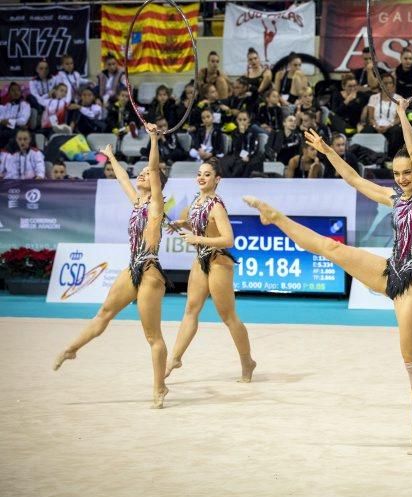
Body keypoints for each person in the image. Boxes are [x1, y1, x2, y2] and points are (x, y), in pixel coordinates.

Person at [245, 97, 412, 454]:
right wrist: (325, 152)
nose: (401, 178)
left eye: (407, 172)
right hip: (390, 271)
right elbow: (352, 179)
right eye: (397, 173)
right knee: (333, 249)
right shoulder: (395, 198)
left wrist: (401, 115)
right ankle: (277, 216)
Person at [54, 125, 171, 409]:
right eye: (140, 173)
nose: (142, 174)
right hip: (131, 269)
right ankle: (72, 349)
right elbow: (121, 179)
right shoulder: (137, 202)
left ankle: (159, 388)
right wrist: (111, 157)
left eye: (146, 173)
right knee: (104, 313)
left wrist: (154, 139)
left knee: (152, 336)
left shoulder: (155, 204)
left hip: (150, 272)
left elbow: (154, 170)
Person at [165, 158, 256, 381]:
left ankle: (247, 361)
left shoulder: (216, 206)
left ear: (217, 180)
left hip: (219, 262)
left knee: (228, 317)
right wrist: (182, 224)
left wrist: (196, 237)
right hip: (201, 260)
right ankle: (175, 357)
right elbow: (201, 226)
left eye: (207, 174)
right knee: (190, 310)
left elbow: (228, 239)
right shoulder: (196, 202)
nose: (201, 178)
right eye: (199, 173)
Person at [362, 72, 404, 157]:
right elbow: (371, 118)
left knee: (396, 131)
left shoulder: (399, 98)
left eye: (390, 83)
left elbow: (398, 119)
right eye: (385, 83)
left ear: (393, 85)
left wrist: (388, 126)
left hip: (391, 126)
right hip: (376, 125)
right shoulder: (373, 97)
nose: (388, 85)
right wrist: (376, 126)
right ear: (380, 85)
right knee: (367, 130)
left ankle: (391, 157)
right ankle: (368, 156)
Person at [220, 111, 263, 177]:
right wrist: (241, 134)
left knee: (242, 164)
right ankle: (228, 180)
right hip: (237, 155)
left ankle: (235, 180)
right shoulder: (235, 132)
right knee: (223, 161)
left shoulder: (253, 132)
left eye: (244, 119)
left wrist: (248, 156)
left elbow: (254, 148)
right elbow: (236, 147)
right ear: (237, 121)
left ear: (249, 121)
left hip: (250, 156)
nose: (242, 122)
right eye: (240, 120)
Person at [0, 83, 32, 148]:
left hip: (17, 129)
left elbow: (23, 121)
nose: (15, 92)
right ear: (9, 93)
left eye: (18, 90)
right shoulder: (7, 105)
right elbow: (2, 118)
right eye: (13, 90)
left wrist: (8, 121)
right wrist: (4, 121)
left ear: (20, 92)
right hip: (6, 128)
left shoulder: (25, 105)